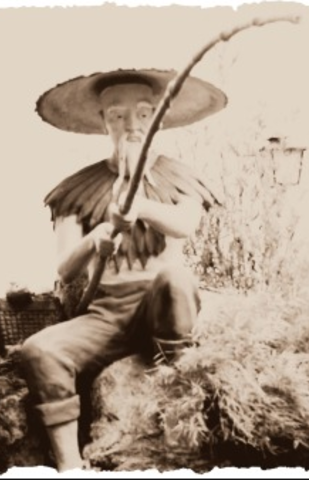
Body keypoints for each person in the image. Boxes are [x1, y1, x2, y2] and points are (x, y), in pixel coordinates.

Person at [21, 69, 226, 471]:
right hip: (106, 317)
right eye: (117, 115)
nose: (132, 125)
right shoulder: (75, 190)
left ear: (159, 119)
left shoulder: (178, 177)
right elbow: (64, 268)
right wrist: (95, 238)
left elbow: (185, 224)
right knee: (40, 351)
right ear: (103, 122)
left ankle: (178, 420)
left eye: (144, 113)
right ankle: (69, 465)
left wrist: (142, 208)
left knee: (175, 279)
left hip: (163, 309)